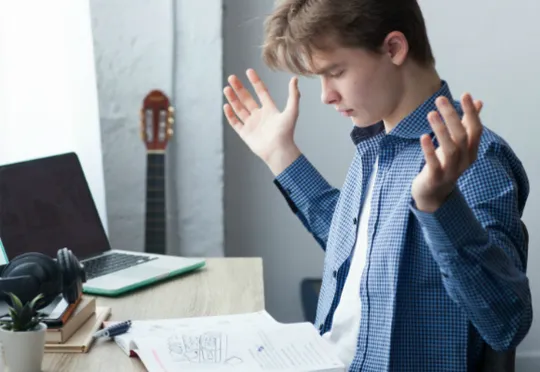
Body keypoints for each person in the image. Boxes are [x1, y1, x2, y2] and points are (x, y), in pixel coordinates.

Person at [222, 0, 532, 370]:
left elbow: (506, 324)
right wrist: (281, 156)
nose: (326, 95)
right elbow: (361, 254)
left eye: (335, 71)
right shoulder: (375, 147)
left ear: (394, 48)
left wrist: (439, 205)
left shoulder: (475, 159)